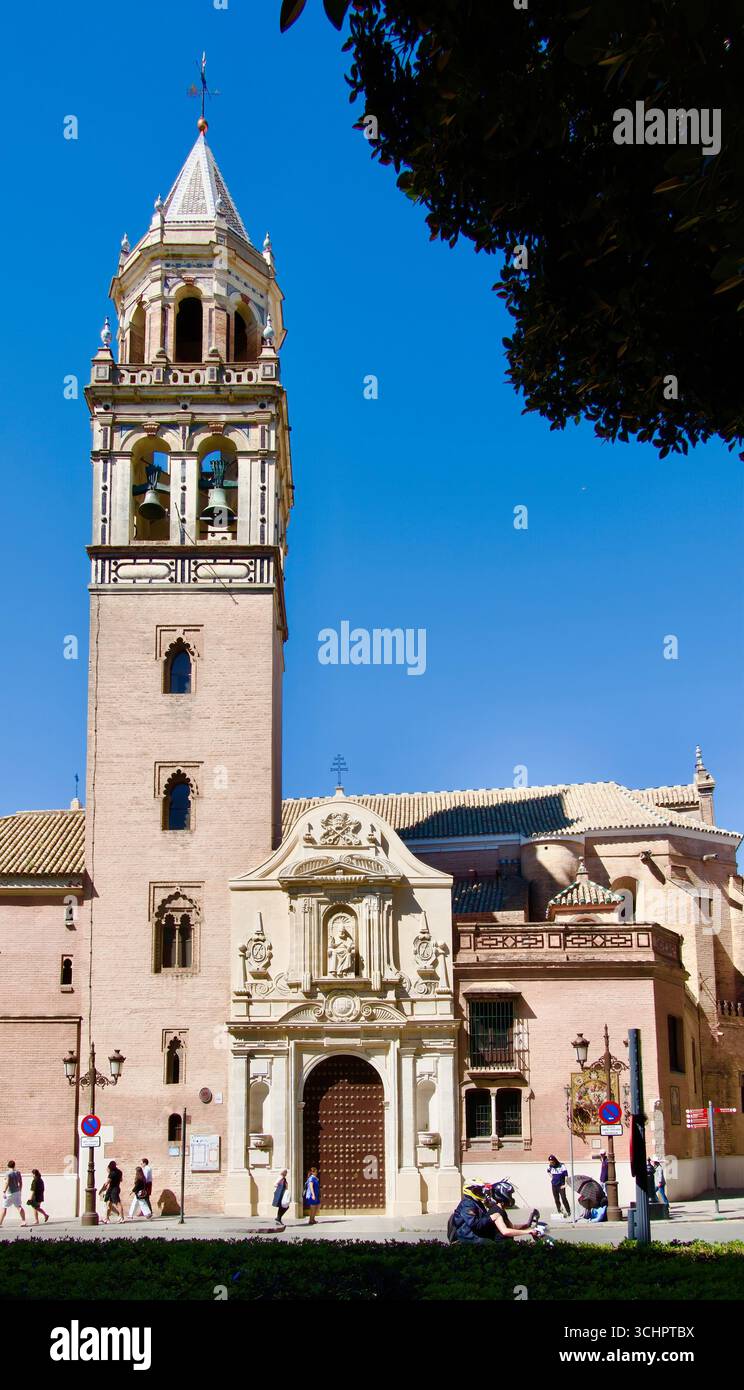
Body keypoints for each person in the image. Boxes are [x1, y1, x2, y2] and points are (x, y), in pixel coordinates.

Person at [448, 1180, 539, 1245]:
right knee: (491, 1245)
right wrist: (528, 1232)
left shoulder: (480, 1203)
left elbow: (510, 1226)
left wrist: (526, 1226)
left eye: (481, 1190)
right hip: (468, 1236)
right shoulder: (468, 1204)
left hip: (476, 1234)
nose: (480, 1192)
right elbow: (475, 1224)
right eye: (477, 1190)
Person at [0, 1160, 26, 1227]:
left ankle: (0, 1223)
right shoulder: (18, 1173)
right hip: (17, 1192)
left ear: (8, 1165)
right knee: (19, 1207)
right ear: (14, 1165)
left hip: (9, 1193)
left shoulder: (8, 1173)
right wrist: (20, 1191)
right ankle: (24, 1221)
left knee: (4, 1208)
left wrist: (4, 1191)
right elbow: (20, 1182)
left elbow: (7, 1182)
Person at [100, 1160, 125, 1224]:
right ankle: (107, 1218)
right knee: (110, 1204)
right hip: (117, 1188)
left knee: (117, 1203)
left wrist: (102, 1190)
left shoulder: (112, 1173)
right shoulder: (119, 1172)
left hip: (112, 1189)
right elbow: (121, 1180)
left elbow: (107, 1183)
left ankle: (121, 1218)